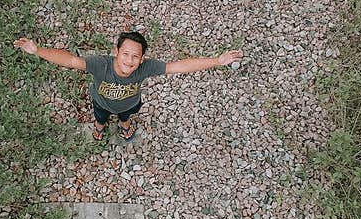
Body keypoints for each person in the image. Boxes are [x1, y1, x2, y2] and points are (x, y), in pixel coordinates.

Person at [13, 31, 243, 141]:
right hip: (101, 101)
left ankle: (124, 125)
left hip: (130, 103)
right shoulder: (100, 64)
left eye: (136, 56)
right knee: (100, 116)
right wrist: (37, 50)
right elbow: (72, 61)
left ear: (142, 59)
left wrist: (217, 61)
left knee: (126, 115)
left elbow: (178, 66)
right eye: (125, 54)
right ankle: (100, 127)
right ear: (116, 52)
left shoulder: (146, 67)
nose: (129, 61)